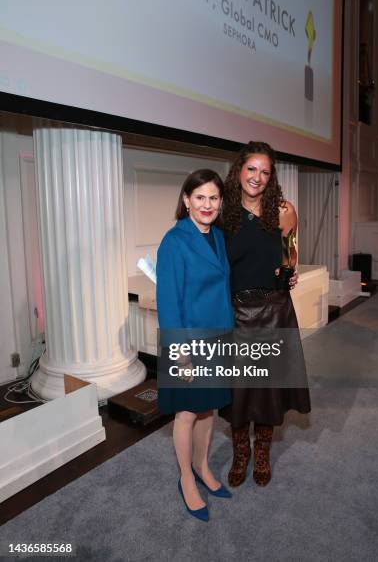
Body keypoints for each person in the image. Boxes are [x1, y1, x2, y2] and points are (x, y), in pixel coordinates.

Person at [220, 141, 311, 487]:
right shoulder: (224, 212)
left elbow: (291, 255)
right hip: (237, 314)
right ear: (239, 170)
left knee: (269, 389)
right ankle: (240, 452)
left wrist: (290, 269)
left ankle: (262, 455)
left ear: (271, 178)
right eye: (251, 169)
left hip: (274, 312)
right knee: (240, 391)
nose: (257, 177)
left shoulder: (284, 211)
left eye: (265, 172)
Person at [156, 169, 233, 522]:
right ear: (186, 199)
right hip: (188, 342)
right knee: (186, 413)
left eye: (213, 198)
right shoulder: (174, 240)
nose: (207, 204)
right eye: (199, 197)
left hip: (219, 340)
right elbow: (169, 301)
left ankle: (202, 466)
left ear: (220, 202)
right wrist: (181, 354)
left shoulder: (218, 236)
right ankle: (185, 477)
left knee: (208, 410)